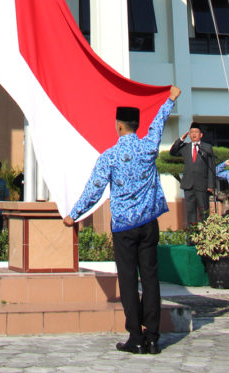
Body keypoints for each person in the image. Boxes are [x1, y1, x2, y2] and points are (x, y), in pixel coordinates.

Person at [63, 86, 181, 356]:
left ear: (118, 126)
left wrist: (74, 214)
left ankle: (135, 337)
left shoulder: (110, 157)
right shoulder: (149, 146)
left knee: (128, 280)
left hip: (125, 227)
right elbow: (160, 121)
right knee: (150, 278)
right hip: (148, 223)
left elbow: (94, 189)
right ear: (136, 126)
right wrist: (171, 99)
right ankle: (153, 337)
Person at [170, 122, 216, 226]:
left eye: (196, 132)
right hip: (188, 184)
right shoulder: (185, 147)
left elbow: (211, 166)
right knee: (190, 212)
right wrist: (181, 139)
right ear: (189, 135)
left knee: (204, 211)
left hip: (202, 185)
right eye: (191, 132)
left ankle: (205, 236)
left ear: (201, 135)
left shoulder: (207, 147)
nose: (194, 134)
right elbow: (172, 152)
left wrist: (210, 185)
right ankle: (192, 237)